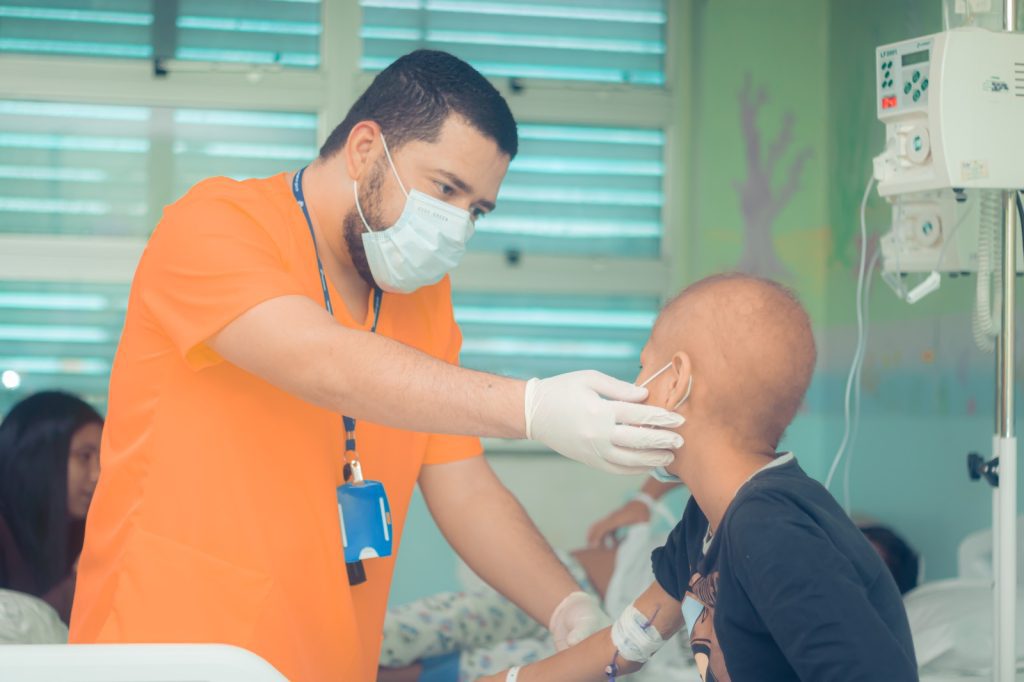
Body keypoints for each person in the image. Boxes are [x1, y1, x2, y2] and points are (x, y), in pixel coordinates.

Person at [69, 50, 684, 682]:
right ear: (365, 149)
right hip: (169, 652)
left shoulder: (422, 298)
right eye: (446, 189)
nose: (457, 227)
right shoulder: (216, 225)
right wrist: (531, 407)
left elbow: (465, 488)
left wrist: (567, 607)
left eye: (476, 210)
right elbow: (323, 360)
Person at [480, 274, 918, 682]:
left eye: (642, 367)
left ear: (675, 381)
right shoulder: (707, 519)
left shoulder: (771, 530)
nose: (635, 385)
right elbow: (628, 641)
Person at [0, 391, 102, 623]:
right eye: (85, 456)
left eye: (102, 459)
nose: (97, 474)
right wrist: (79, 580)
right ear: (38, 456)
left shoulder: (80, 533)